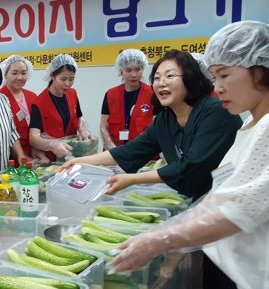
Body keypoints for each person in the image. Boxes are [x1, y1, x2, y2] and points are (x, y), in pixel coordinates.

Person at [108, 21, 269, 289]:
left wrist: (158, 240)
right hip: (235, 263)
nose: (217, 88)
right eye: (215, 77)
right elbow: (222, 189)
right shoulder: (251, 125)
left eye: (225, 75)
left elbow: (238, 212)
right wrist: (166, 230)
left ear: (261, 70)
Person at [56, 49, 242, 202]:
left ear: (191, 78)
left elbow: (190, 166)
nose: (162, 83)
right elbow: (130, 151)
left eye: (170, 76)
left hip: (233, 199)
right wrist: (79, 161)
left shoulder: (215, 112)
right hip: (202, 200)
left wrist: (132, 179)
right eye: (157, 78)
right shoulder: (166, 120)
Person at [29, 54, 96, 162]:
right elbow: (33, 138)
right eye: (63, 79)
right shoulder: (39, 103)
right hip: (51, 159)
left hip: (72, 153)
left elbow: (78, 117)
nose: (67, 84)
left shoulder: (73, 93)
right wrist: (52, 144)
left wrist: (83, 131)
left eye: (71, 79)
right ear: (52, 76)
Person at [100, 49, 160, 150]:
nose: (134, 75)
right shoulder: (110, 95)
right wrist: (112, 148)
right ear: (121, 71)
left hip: (144, 155)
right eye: (128, 70)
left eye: (138, 69)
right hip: (113, 156)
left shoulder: (153, 94)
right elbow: (103, 127)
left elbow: (157, 129)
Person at [0, 55, 37, 157]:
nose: (19, 77)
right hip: (10, 156)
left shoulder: (32, 96)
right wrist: (22, 156)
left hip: (33, 152)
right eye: (14, 73)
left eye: (23, 73)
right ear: (5, 75)